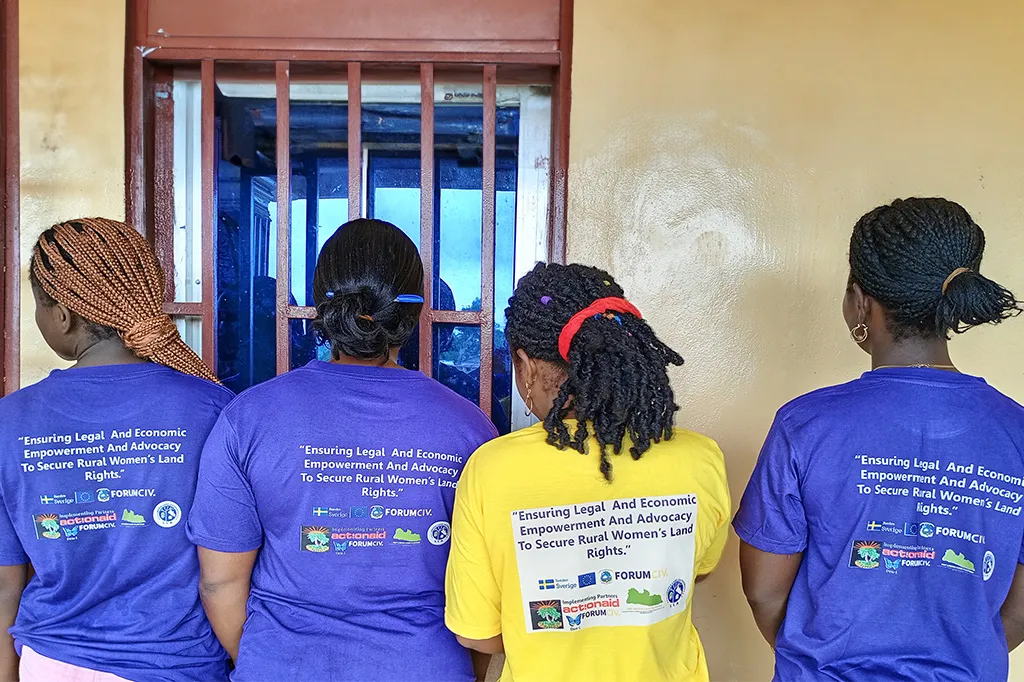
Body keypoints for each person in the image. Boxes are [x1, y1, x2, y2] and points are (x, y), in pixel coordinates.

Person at [187, 218, 498, 682]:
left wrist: (267, 661)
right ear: (414, 313)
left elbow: (219, 583)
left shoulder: (248, 418)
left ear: (322, 307)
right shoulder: (470, 429)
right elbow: (483, 601)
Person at [734, 197, 1024, 681]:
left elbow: (764, 591)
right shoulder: (1017, 433)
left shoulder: (805, 425)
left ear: (860, 299)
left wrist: (822, 659)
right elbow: (1015, 614)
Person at [445, 263, 732, 682]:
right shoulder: (701, 458)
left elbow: (481, 636)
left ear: (525, 366)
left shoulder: (491, 470)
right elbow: (699, 570)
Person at [0, 218, 231, 681]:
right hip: (178, 665)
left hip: (53, 664)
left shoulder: (10, 420)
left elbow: (6, 583)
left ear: (62, 314)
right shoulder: (212, 406)